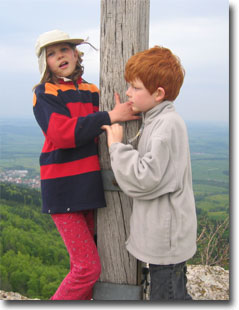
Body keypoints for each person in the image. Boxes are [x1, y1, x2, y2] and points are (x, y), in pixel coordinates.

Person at [32, 29, 139, 300]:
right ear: (45, 64)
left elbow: (99, 123)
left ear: (76, 53)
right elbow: (62, 133)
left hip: (89, 187)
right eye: (51, 54)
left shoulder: (92, 91)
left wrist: (121, 111)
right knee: (87, 269)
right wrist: (111, 114)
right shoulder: (44, 92)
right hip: (62, 188)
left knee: (85, 263)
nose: (59, 57)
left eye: (64, 50)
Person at [102, 46, 197, 301]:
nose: (128, 92)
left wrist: (116, 147)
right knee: (174, 295)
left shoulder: (166, 125)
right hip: (166, 236)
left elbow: (145, 177)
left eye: (135, 87)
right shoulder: (157, 119)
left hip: (167, 238)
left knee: (166, 299)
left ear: (158, 93)